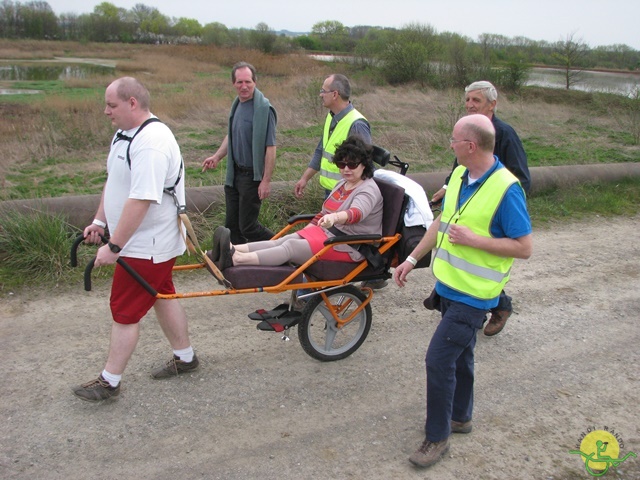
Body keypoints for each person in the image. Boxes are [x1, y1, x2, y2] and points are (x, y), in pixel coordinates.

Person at [394, 114, 532, 469]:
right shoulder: (459, 174)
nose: (450, 145)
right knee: (461, 355)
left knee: (438, 360)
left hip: (474, 296)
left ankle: (437, 438)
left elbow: (524, 247)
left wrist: (476, 241)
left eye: (453, 140)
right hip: (449, 286)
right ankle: (460, 417)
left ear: (470, 146)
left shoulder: (506, 188)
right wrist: (411, 258)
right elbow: (441, 221)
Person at [73, 77, 198, 402]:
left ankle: (109, 381)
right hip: (140, 243)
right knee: (161, 295)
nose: (105, 111)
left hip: (148, 246)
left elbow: (142, 200)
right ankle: (186, 358)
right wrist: (100, 221)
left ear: (132, 103)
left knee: (124, 311)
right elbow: (115, 182)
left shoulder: (152, 142)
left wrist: (114, 247)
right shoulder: (124, 135)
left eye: (111, 105)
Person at [431, 80, 531, 337]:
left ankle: (500, 307)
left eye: (476, 100)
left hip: (492, 215)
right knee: (460, 258)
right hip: (467, 210)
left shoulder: (504, 134)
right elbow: (461, 170)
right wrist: (447, 187)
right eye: (467, 100)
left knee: (482, 269)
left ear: (493, 104)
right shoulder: (467, 131)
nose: (469, 105)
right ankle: (447, 299)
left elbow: (520, 178)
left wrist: (501, 204)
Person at [210, 135, 382, 272]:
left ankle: (237, 260)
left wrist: (336, 217)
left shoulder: (367, 190)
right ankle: (233, 249)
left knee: (290, 247)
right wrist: (308, 230)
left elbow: (356, 213)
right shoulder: (343, 183)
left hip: (351, 246)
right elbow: (323, 214)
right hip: (330, 236)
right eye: (341, 164)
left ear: (364, 164)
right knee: (284, 239)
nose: (345, 169)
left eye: (352, 164)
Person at [202, 61, 277, 245]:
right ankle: (240, 266)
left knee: (248, 227)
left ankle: (284, 247)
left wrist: (265, 181)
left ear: (255, 82)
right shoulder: (236, 105)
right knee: (232, 228)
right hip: (234, 174)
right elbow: (232, 136)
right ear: (233, 84)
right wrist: (217, 156)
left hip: (252, 177)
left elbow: (271, 148)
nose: (244, 86)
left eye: (248, 82)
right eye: (239, 82)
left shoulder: (264, 110)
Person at [294, 73, 371, 199]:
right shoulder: (331, 117)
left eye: (323, 91)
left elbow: (364, 166)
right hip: (331, 192)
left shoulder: (357, 124)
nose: (320, 95)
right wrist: (304, 179)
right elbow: (321, 151)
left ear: (335, 94)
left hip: (346, 196)